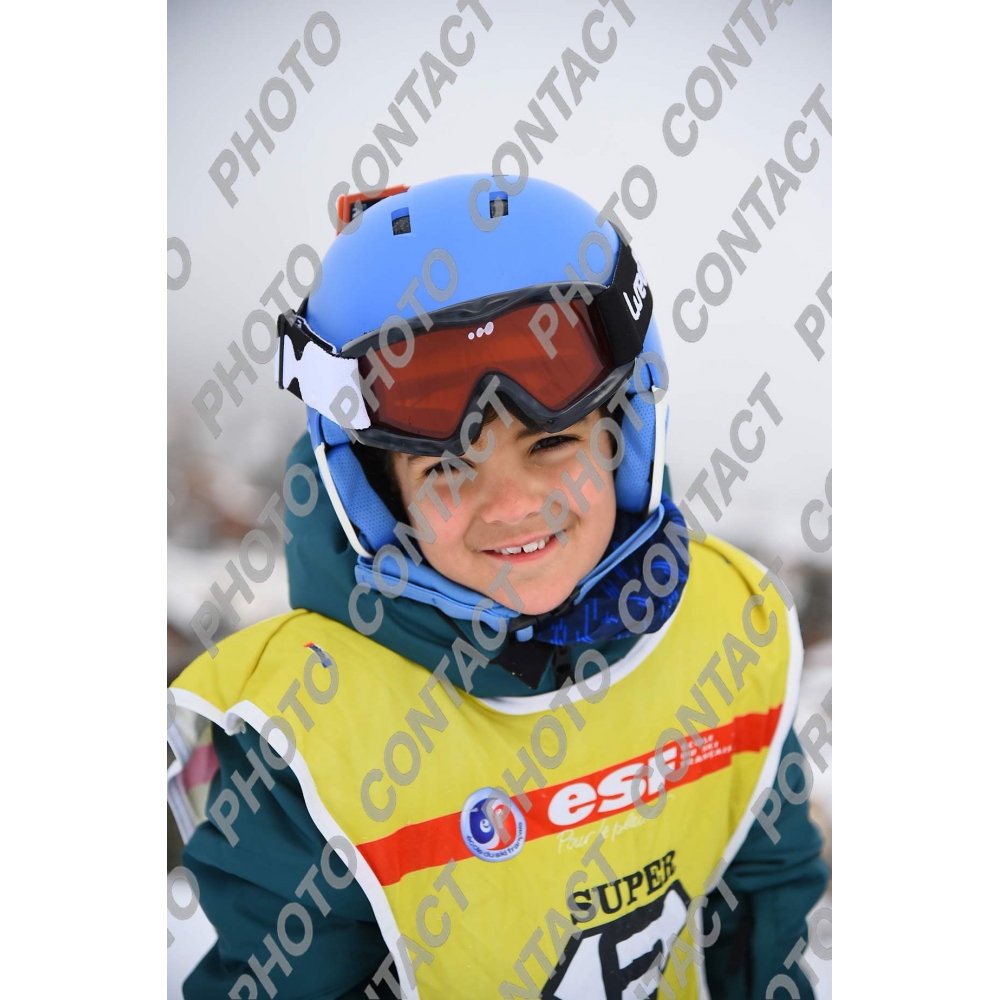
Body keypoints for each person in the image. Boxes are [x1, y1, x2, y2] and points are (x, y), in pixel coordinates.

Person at [168, 175, 828, 999]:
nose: (511, 504)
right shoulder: (309, 732)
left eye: (552, 443)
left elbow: (765, 927)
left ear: (624, 440)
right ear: (379, 499)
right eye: (447, 467)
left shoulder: (730, 631)